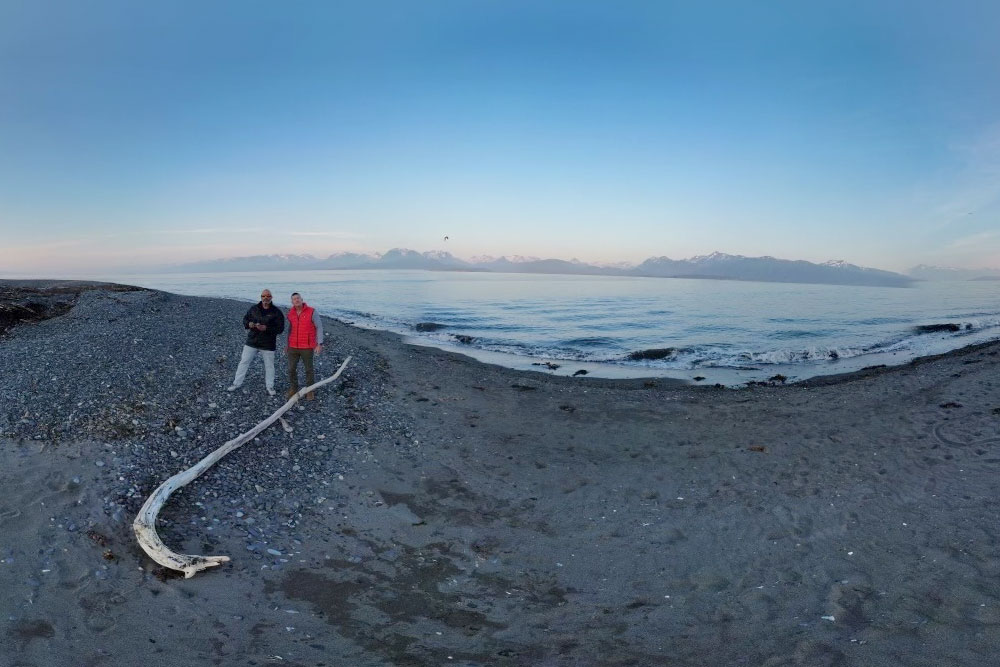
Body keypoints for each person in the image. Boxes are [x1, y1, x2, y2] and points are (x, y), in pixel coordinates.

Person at [227, 289, 285, 395]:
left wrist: (266, 328)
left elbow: (280, 329)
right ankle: (236, 383)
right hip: (252, 341)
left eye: (268, 296)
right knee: (244, 362)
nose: (265, 298)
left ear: (271, 297)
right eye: (263, 296)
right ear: (261, 297)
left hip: (268, 343)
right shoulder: (253, 309)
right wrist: (248, 324)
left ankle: (270, 386)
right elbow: (245, 319)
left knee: (269, 366)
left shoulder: (276, 312)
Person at [286, 291, 324, 400]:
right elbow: (290, 329)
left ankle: (310, 390)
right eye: (294, 299)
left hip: (307, 347)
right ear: (292, 302)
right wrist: (287, 344)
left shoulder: (312, 311)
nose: (296, 300)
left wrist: (319, 344)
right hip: (293, 346)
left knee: (308, 369)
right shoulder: (291, 313)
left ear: (302, 299)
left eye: (298, 298)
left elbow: (319, 327)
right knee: (291, 369)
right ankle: (293, 388)